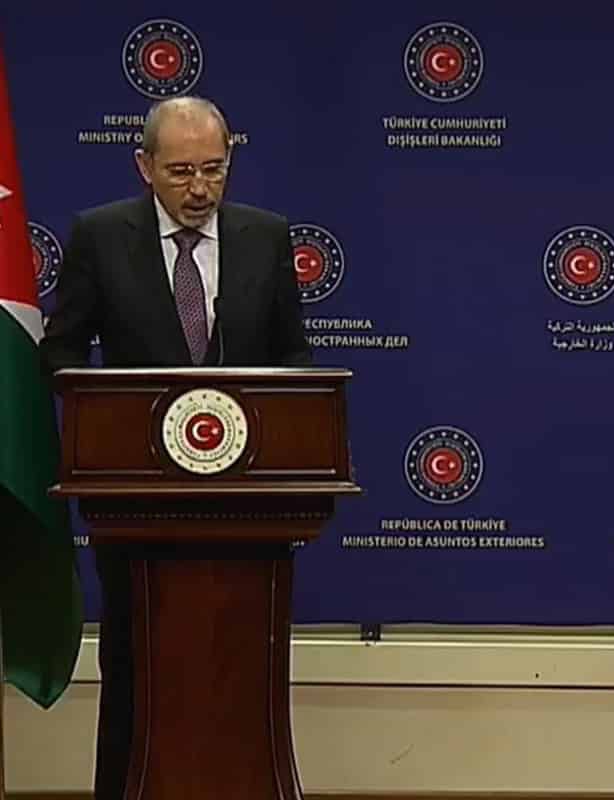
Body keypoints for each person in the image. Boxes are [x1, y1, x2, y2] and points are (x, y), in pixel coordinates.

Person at [39, 95, 311, 800]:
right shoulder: (101, 236)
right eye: (182, 171)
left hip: (246, 509)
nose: (199, 189)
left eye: (214, 170)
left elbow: (295, 359)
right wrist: (110, 418)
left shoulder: (265, 236)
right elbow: (61, 352)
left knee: (239, 663)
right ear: (145, 167)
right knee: (138, 667)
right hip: (137, 504)